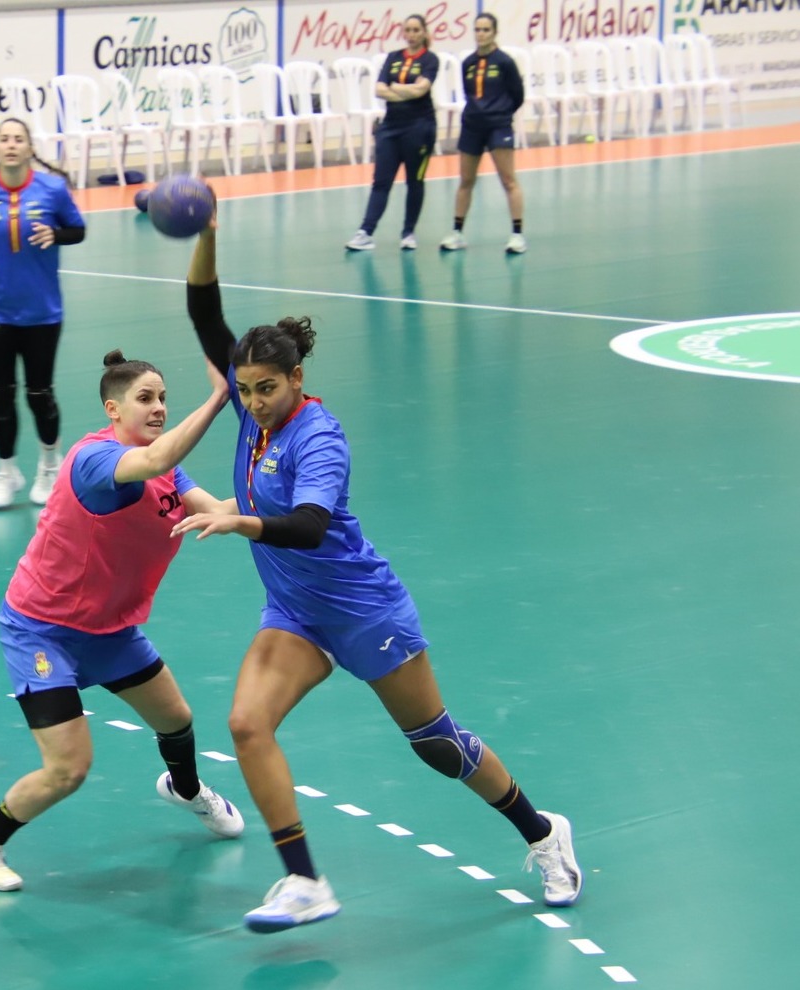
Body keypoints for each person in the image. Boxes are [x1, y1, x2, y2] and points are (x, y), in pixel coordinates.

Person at [175, 214, 580, 932]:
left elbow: (310, 526)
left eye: (266, 388)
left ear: (296, 379)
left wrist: (240, 520)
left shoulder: (317, 436)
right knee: (245, 724)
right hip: (296, 616)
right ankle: (304, 882)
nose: (252, 400)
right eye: (244, 388)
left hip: (364, 611)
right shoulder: (253, 416)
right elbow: (204, 309)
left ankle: (543, 833)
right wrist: (206, 230)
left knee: (436, 745)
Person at [0, 350, 245, 893]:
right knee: (68, 768)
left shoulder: (167, 468)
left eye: (162, 398)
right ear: (113, 408)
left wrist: (288, 491)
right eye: (145, 398)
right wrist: (221, 397)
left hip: (109, 628)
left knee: (175, 718)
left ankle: (185, 789)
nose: (157, 407)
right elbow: (153, 462)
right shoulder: (93, 460)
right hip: (42, 629)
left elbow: (219, 509)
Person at [0, 118, 87, 510]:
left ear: (30, 148)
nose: (11, 145)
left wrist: (56, 234)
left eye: (19, 139)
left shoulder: (52, 189)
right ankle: (6, 472)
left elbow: (77, 229)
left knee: (39, 392)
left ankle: (50, 465)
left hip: (42, 311)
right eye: (3, 139)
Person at [345, 15, 440, 252]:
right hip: (390, 127)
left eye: (417, 30)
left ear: (424, 33)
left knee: (414, 181)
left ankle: (408, 233)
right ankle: (365, 232)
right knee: (381, 181)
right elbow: (379, 89)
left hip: (420, 127)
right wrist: (404, 91)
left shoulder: (430, 59)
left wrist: (396, 88)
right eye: (408, 30)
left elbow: (422, 89)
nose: (412, 34)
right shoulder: (393, 57)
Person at [440, 13, 527, 254]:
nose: (481, 34)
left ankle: (517, 235)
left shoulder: (505, 62)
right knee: (466, 180)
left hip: (498, 126)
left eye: (486, 30)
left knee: (508, 180)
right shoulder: (467, 63)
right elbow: (470, 94)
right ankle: (457, 233)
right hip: (472, 126)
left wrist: (500, 114)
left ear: (494, 32)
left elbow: (517, 95)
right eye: (478, 30)